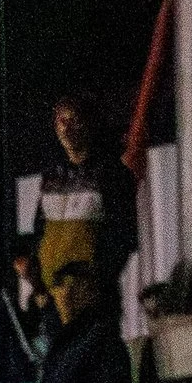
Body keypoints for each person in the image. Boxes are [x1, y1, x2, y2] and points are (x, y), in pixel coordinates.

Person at [23, 94, 139, 313]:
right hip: (51, 297)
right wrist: (37, 282)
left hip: (90, 299)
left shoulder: (112, 175)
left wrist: (94, 281)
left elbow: (124, 236)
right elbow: (40, 232)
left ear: (90, 124)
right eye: (61, 121)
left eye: (74, 120)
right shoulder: (52, 177)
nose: (66, 129)